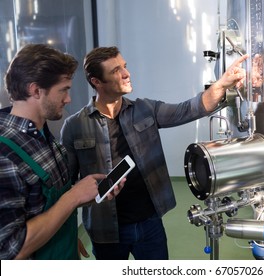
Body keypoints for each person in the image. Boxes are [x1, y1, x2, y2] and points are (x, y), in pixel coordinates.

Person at [60, 46, 248, 260]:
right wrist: (69, 235)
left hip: (149, 223)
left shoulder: (145, 109)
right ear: (96, 82)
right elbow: (64, 187)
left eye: (125, 66)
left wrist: (222, 84)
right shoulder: (74, 126)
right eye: (115, 70)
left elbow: (188, 109)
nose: (126, 73)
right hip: (106, 230)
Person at [0, 44, 123, 260]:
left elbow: (41, 206)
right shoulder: (5, 155)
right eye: (64, 90)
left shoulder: (44, 136)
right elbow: (10, 251)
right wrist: (74, 197)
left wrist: (87, 195)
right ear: (36, 90)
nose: (68, 99)